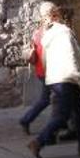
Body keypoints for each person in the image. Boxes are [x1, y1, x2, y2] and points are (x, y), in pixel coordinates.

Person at [27, 1, 80, 158]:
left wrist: (49, 77)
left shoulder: (47, 34)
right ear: (56, 15)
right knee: (63, 115)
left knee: (79, 109)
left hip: (55, 77)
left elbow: (45, 59)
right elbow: (72, 56)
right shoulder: (64, 32)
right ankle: (38, 142)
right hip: (67, 78)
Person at [19, 7, 52, 135]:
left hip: (41, 71)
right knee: (47, 99)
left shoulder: (37, 32)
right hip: (48, 72)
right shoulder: (48, 34)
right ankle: (26, 119)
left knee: (59, 99)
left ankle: (64, 123)